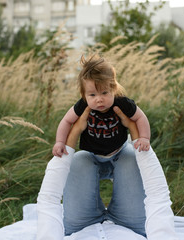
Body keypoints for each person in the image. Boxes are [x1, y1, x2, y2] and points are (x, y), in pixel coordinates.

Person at [36, 106, 177, 240]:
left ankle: (122, 151)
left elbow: (48, 200)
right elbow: (158, 196)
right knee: (80, 161)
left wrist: (75, 131)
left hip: (86, 228)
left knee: (127, 160)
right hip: (125, 228)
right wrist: (133, 127)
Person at [52, 54, 151, 236]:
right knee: (78, 160)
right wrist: (60, 142)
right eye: (92, 95)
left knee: (131, 159)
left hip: (119, 152)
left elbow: (140, 117)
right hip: (92, 155)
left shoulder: (122, 103)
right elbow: (66, 121)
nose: (99, 99)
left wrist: (144, 138)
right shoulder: (82, 106)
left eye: (105, 93)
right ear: (84, 95)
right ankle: (92, 215)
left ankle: (122, 215)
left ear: (114, 89)